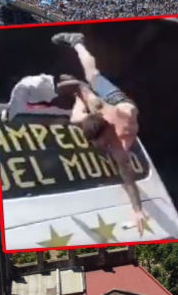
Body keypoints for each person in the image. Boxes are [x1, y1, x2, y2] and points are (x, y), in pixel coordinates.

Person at [51, 32, 149, 236]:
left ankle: (76, 42)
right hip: (100, 108)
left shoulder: (122, 132)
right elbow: (127, 179)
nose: (103, 146)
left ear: (108, 132)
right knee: (78, 116)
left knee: (92, 75)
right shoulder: (100, 118)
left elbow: (128, 179)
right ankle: (79, 90)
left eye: (103, 142)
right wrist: (137, 210)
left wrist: (138, 210)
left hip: (118, 104)